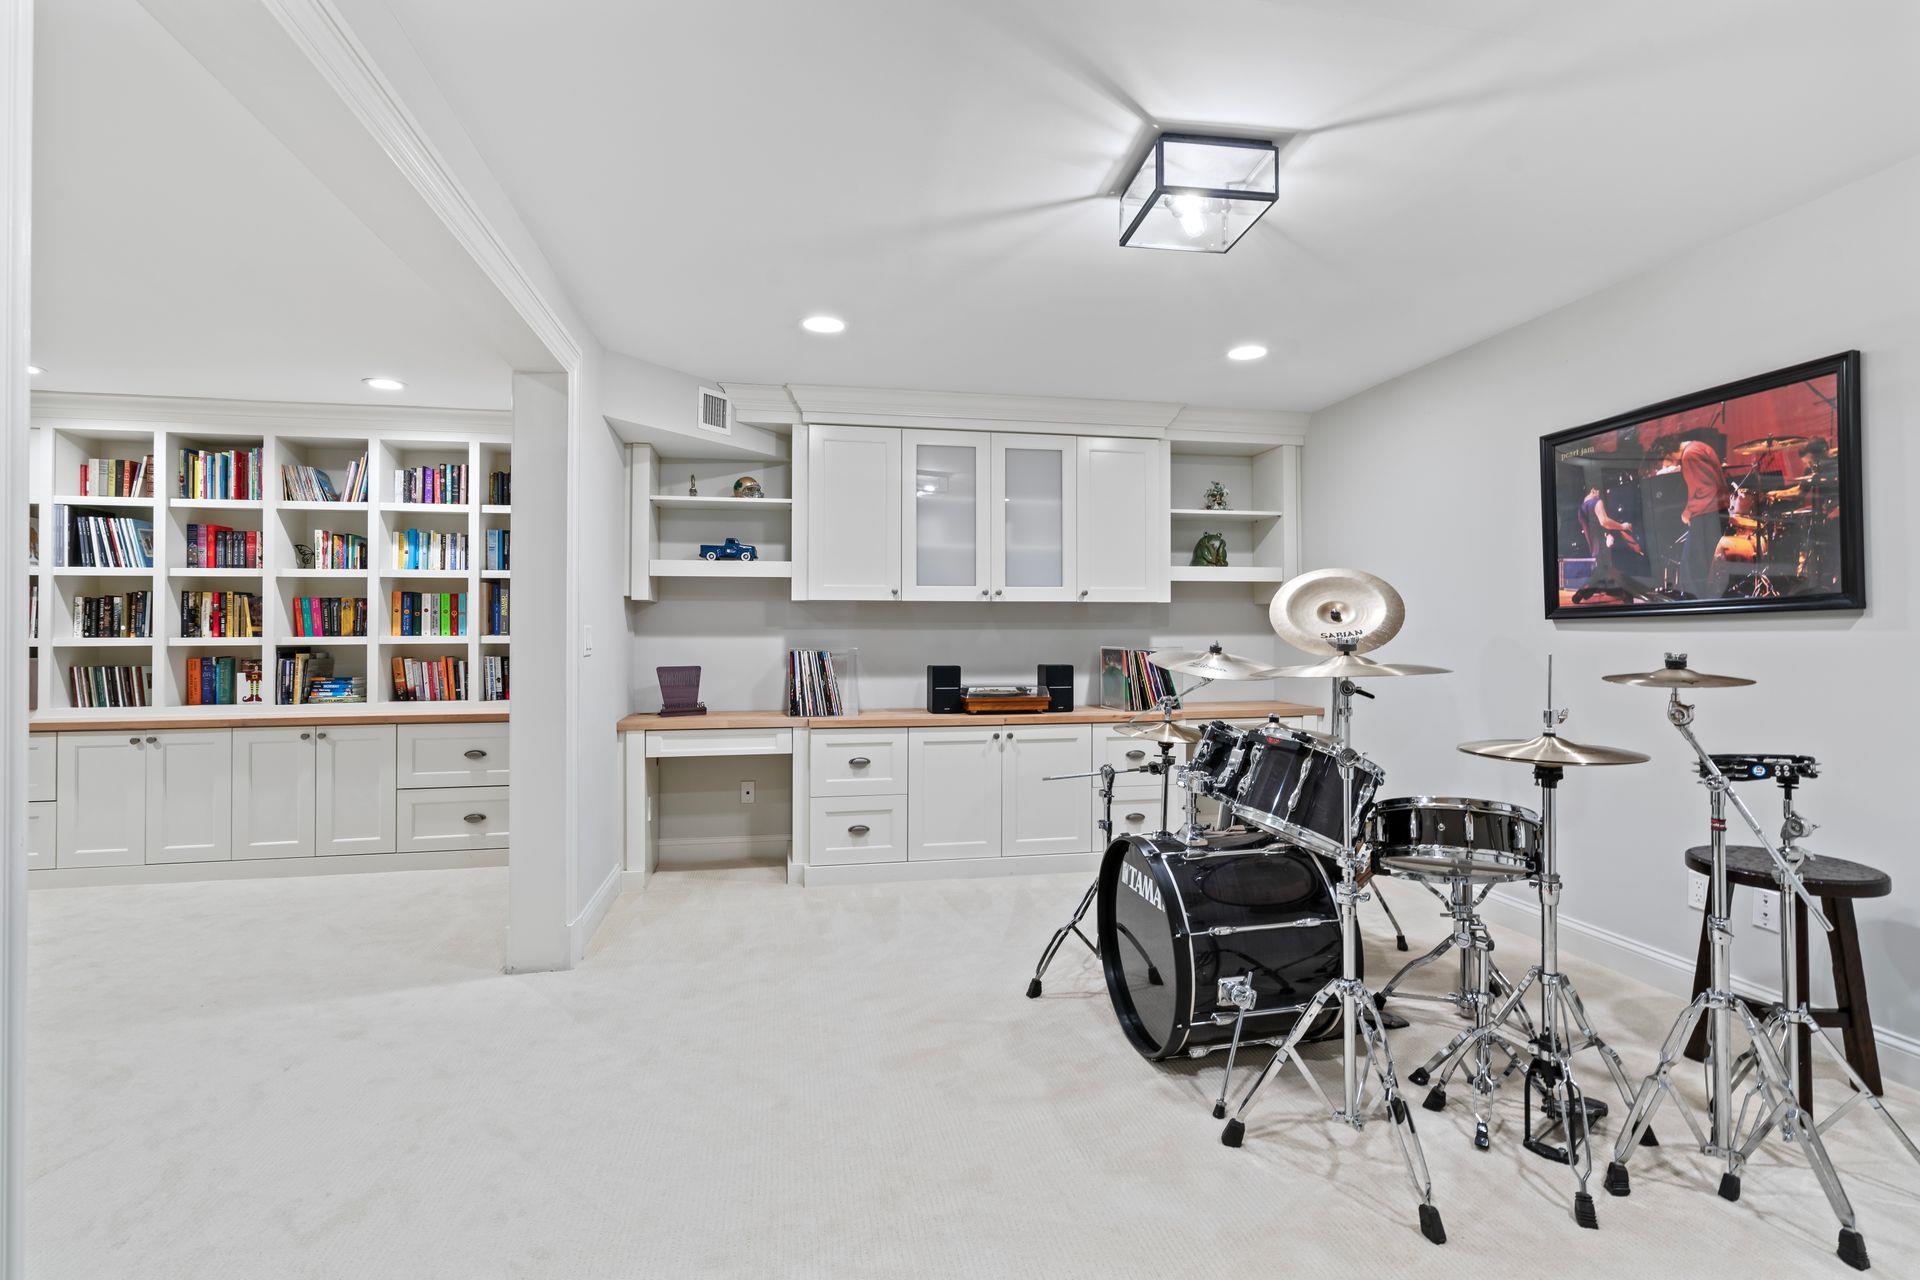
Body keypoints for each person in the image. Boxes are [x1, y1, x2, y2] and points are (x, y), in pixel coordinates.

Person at [1666, 430, 1730, 598]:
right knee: (1704, 565)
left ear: (1670, 452)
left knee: (1693, 568)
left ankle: (1694, 603)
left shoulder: (1690, 454)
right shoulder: (1700, 447)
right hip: (1714, 511)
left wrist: (1688, 512)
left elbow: (1705, 489)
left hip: (1706, 514)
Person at [1571, 484, 1638, 604]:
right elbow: (1604, 521)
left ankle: (1584, 591)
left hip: (1595, 545)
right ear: (1593, 490)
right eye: (1599, 491)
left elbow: (1594, 526)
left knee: (1602, 569)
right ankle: (1626, 594)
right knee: (1613, 568)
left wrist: (1606, 534)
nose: (1600, 494)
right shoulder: (1596, 502)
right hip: (1604, 545)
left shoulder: (1581, 508)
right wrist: (1622, 526)